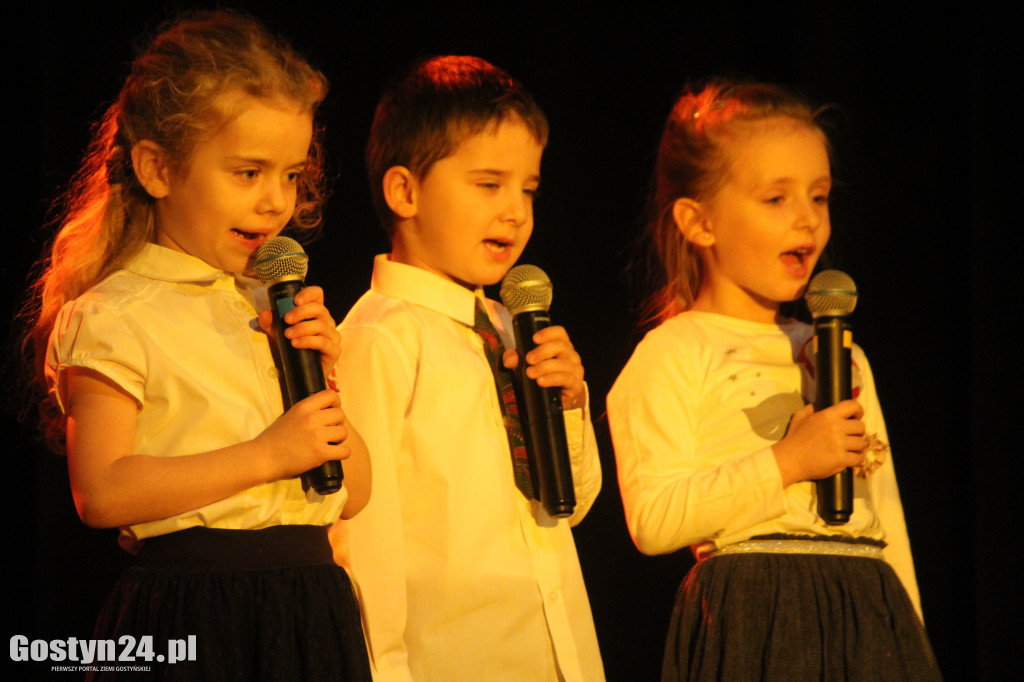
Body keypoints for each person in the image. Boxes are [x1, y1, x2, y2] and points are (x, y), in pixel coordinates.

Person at [22, 11, 371, 680]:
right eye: (248, 172)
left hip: (312, 603)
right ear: (158, 168)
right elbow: (101, 490)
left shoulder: (268, 308)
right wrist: (269, 454)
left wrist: (322, 378)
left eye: (290, 175)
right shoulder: (116, 314)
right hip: (196, 610)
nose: (276, 202)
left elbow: (354, 494)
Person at [606, 81, 940, 680]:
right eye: (776, 199)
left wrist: (910, 638)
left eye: (819, 196)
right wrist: (787, 462)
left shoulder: (838, 355)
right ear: (699, 221)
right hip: (759, 609)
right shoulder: (675, 351)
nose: (807, 219)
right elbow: (653, 520)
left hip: (868, 606)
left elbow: (885, 515)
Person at [330, 55, 604, 681]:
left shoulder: (509, 327)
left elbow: (571, 504)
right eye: (489, 184)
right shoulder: (380, 338)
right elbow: (365, 540)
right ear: (405, 192)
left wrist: (569, 405)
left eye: (528, 189)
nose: (516, 211)